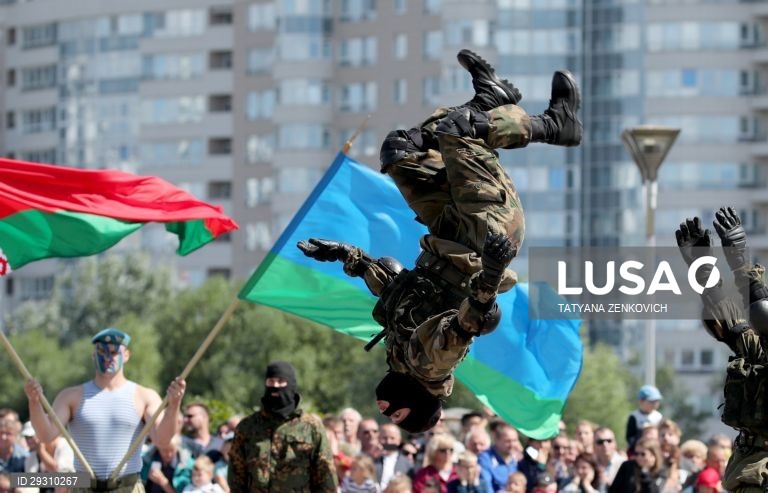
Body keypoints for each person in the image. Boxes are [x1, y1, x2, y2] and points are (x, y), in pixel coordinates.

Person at [298, 49, 582, 433]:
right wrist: (493, 273)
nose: (384, 408)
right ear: (416, 405)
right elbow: (472, 319)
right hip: (485, 237)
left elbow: (400, 290)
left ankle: (489, 99)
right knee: (457, 133)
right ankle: (554, 124)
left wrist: (350, 258)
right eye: (396, 414)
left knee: (401, 152)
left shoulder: (402, 358)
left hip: (447, 231)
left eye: (387, 413)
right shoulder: (431, 363)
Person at [24, 327, 186, 492]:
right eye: (101, 352)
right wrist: (34, 402)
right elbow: (46, 435)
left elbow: (162, 440)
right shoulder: (70, 396)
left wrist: (174, 405)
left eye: (114, 352)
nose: (108, 358)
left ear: (127, 355)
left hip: (127, 487)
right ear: (93, 355)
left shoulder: (145, 396)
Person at [675, 207, 768, 492]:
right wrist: (704, 272)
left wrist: (741, 265)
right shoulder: (758, 351)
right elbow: (730, 324)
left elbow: (761, 313)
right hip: (748, 470)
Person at [228, 361, 337, 492]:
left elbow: (325, 475)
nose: (275, 386)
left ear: (291, 384)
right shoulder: (247, 427)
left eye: (281, 381)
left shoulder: (311, 427)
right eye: (271, 381)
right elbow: (236, 475)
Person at [626, 385, 663, 457]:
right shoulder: (634, 417)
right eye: (652, 401)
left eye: (656, 401)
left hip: (655, 450)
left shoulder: (658, 416)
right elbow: (629, 437)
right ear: (641, 401)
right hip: (637, 451)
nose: (655, 404)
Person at [375, 424, 413, 489]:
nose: (388, 442)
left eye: (392, 438)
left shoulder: (407, 464)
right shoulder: (372, 459)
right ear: (378, 438)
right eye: (385, 438)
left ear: (399, 441)